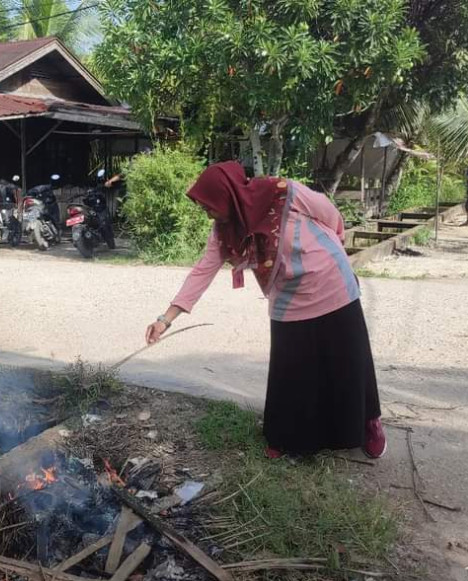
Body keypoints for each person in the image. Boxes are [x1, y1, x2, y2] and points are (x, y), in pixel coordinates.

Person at [145, 162, 385, 459]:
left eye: (209, 206)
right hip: (287, 296)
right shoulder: (224, 230)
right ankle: (287, 437)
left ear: (228, 194)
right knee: (292, 371)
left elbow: (329, 213)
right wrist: (165, 319)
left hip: (330, 279)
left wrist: (334, 245)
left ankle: (368, 422)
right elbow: (202, 272)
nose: (208, 213)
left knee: (348, 360)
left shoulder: (283, 191)